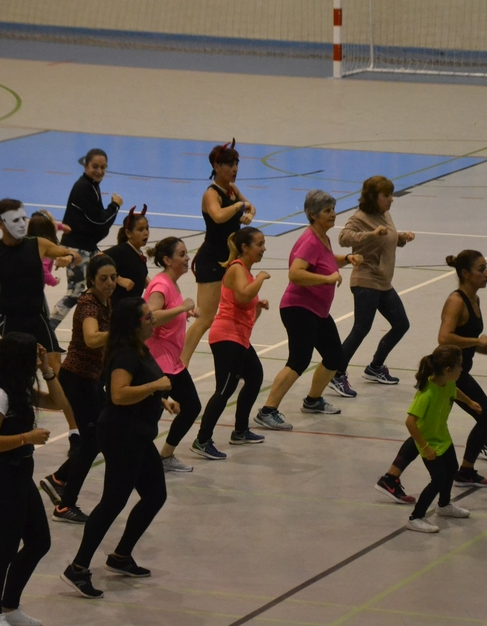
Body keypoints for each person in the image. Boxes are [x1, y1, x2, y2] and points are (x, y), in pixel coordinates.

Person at [61, 298, 179, 599]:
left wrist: (161, 400)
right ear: (133, 324)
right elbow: (118, 395)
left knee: (155, 495)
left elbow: (139, 385)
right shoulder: (125, 353)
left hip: (138, 435)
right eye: (148, 317)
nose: (153, 320)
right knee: (113, 502)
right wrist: (154, 388)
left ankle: (121, 556)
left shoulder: (139, 347)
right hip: (121, 436)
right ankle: (77, 567)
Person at [375, 250, 487, 503]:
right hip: (448, 375)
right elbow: (444, 338)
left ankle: (393, 476)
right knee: (485, 415)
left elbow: (470, 342)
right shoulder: (457, 301)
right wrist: (477, 341)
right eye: (481, 269)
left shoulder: (475, 299)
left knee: (435, 426)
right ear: (466, 274)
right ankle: (464, 471)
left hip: (459, 371)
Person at [0, 199, 81, 450]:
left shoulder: (39, 245)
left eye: (23, 219)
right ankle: (8, 428)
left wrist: (68, 257)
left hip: (37, 319)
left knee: (56, 376)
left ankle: (74, 432)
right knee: (7, 380)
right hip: (9, 323)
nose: (22, 224)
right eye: (15, 220)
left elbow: (73, 254)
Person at [256, 190, 362, 431]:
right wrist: (327, 279)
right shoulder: (310, 240)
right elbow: (295, 273)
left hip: (317, 310)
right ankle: (267, 411)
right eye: (327, 211)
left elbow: (325, 259)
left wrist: (346, 258)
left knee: (335, 356)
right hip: (299, 309)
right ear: (313, 215)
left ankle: (313, 401)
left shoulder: (321, 237)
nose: (333, 214)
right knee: (299, 360)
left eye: (333, 209)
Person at [0, 333, 62, 626]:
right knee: (3, 550)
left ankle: (10, 607)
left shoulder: (23, 389)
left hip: (22, 478)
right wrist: (27, 437)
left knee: (39, 542)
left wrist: (46, 369)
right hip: (2, 481)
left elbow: (59, 401)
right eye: (32, 357)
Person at [39, 255, 117, 522]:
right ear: (91, 281)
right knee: (92, 441)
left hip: (93, 379)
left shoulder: (108, 302)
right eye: (103, 279)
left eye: (113, 278)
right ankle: (64, 505)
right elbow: (92, 338)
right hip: (78, 379)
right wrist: (120, 331)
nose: (109, 283)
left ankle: (59, 478)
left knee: (96, 439)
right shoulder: (88, 305)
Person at [329, 176, 414, 398]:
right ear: (373, 197)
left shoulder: (384, 214)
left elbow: (387, 239)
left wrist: (401, 237)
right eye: (386, 196)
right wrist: (371, 234)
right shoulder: (360, 217)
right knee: (361, 328)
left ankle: (375, 367)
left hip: (383, 281)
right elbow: (344, 238)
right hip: (366, 280)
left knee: (401, 324)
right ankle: (336, 373)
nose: (391, 200)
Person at [191, 227, 270, 460]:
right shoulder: (237, 268)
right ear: (245, 248)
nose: (264, 248)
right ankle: (202, 440)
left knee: (255, 377)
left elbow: (244, 309)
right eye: (259, 244)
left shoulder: (244, 271)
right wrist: (262, 279)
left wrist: (257, 307)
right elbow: (244, 295)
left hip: (239, 337)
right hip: (226, 337)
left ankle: (240, 430)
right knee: (224, 390)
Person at [181, 140, 257, 367]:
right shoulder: (212, 194)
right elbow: (218, 216)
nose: (234, 169)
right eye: (229, 165)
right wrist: (238, 207)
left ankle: (237, 362)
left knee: (235, 312)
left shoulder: (232, 190)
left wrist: (248, 214)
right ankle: (180, 365)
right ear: (216, 165)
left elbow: (250, 206)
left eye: (236, 164)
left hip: (231, 260)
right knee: (205, 318)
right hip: (212, 260)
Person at [143, 237, 204, 471]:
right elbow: (151, 317)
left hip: (172, 362)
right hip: (159, 362)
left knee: (188, 407)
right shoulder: (161, 285)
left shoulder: (171, 282)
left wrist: (184, 314)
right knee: (151, 416)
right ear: (167, 260)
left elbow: (166, 316)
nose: (187, 257)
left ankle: (164, 456)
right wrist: (182, 309)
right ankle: (139, 458)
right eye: (182, 254)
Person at [403, 346, 476, 533]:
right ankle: (416, 517)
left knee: (452, 469)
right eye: (459, 366)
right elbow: (410, 422)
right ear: (447, 370)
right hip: (429, 442)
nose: (462, 369)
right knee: (438, 479)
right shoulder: (426, 394)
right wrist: (425, 447)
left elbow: (455, 391)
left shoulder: (448, 383)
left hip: (443, 436)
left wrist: (470, 402)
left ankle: (444, 505)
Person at [51, 148, 123, 328]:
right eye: (95, 166)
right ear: (85, 165)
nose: (99, 171)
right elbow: (99, 222)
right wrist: (114, 206)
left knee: (102, 285)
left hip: (88, 246)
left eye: (103, 167)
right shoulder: (83, 188)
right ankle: (47, 328)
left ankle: (99, 326)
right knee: (75, 292)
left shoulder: (92, 185)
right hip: (77, 247)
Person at [104, 204, 150, 305]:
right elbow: (97, 259)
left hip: (131, 308)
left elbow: (137, 273)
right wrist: (118, 279)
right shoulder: (122, 250)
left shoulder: (137, 252)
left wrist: (153, 285)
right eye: (141, 229)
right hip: (116, 309)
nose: (146, 233)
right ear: (128, 233)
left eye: (147, 228)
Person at [27, 210, 70, 288]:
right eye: (53, 221)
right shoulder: (46, 247)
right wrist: (53, 281)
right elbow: (41, 268)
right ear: (49, 227)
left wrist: (61, 226)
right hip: (34, 288)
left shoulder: (32, 240)